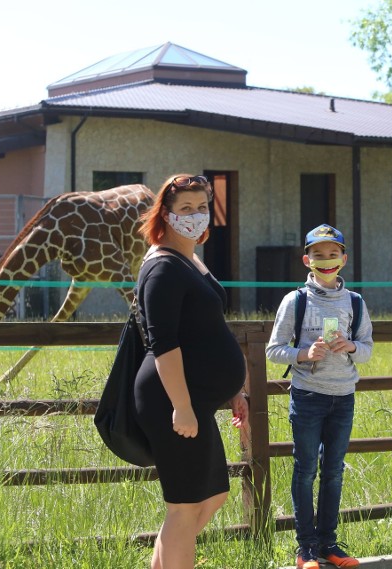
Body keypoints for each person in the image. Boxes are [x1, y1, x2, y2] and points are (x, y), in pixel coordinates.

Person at [134, 173, 249, 569]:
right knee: (184, 507)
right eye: (186, 209)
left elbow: (206, 329)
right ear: (165, 214)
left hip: (196, 400)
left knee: (213, 494)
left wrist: (233, 390)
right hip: (173, 400)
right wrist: (181, 407)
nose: (196, 215)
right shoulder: (162, 267)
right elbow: (163, 343)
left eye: (202, 208)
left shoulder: (188, 259)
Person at [266, 224, 374, 569]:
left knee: (334, 472)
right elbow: (273, 350)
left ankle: (329, 544)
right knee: (305, 470)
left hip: (344, 397)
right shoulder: (295, 301)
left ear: (344, 259)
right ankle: (306, 549)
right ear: (306, 260)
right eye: (318, 255)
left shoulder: (355, 301)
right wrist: (302, 354)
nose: (326, 261)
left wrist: (351, 345)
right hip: (308, 397)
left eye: (332, 254)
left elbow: (368, 349)